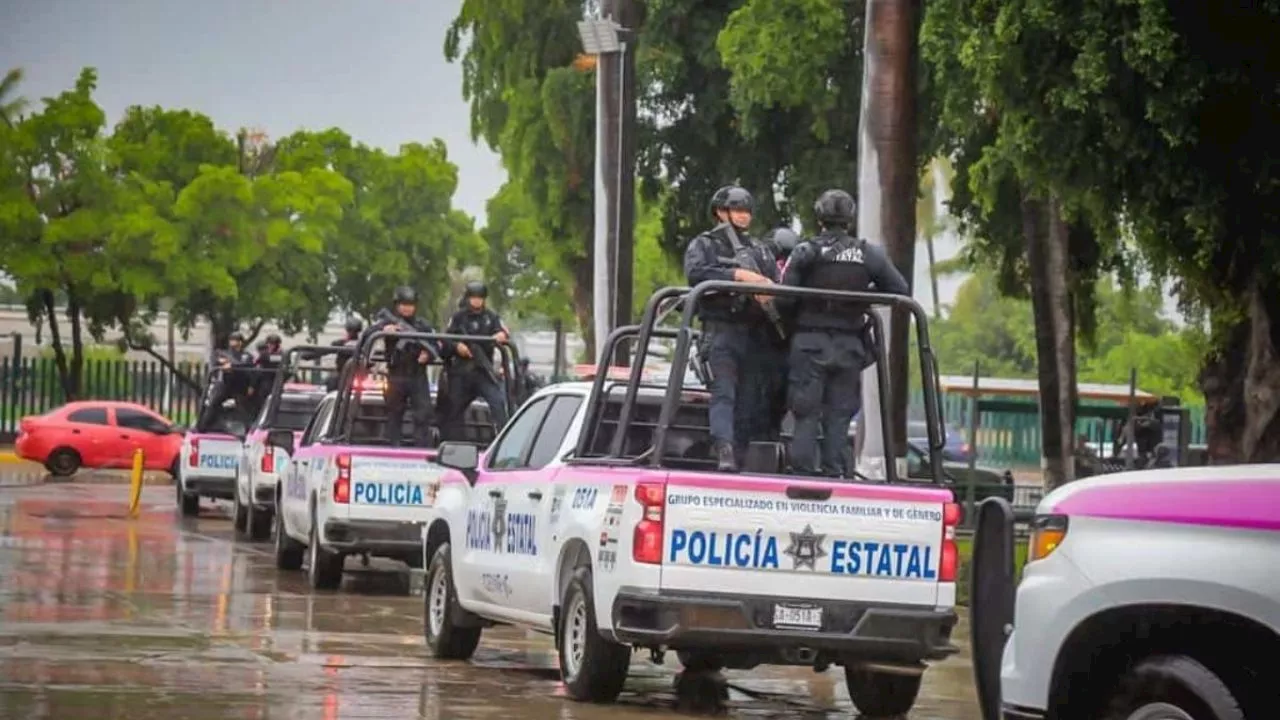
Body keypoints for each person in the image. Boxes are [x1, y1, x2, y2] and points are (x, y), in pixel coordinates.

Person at [780, 189, 909, 477]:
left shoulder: (805, 251)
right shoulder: (868, 254)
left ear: (820, 217)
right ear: (850, 219)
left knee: (805, 413)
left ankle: (802, 472)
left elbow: (783, 298)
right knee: (839, 415)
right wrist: (860, 296)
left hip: (810, 342)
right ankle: (834, 471)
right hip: (850, 345)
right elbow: (899, 289)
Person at [682, 185, 782, 471]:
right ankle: (723, 450)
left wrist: (768, 291)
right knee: (724, 393)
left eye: (746, 211)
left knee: (750, 400)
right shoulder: (705, 244)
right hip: (721, 328)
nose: (743, 216)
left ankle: (740, 454)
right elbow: (696, 274)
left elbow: (775, 281)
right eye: (737, 210)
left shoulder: (760, 249)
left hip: (754, 332)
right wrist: (737, 275)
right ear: (720, 212)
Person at [364, 287, 439, 447]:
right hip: (396, 374)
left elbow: (437, 344)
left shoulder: (422, 325)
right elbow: (367, 335)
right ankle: (393, 448)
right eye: (403, 304)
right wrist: (383, 330)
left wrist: (429, 354)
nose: (407, 308)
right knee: (394, 414)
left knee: (422, 415)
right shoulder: (388, 322)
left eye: (410, 304)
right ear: (397, 305)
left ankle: (421, 449)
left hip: (417, 374)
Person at [441, 281, 510, 439]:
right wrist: (458, 346)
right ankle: (454, 443)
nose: (477, 301)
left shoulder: (491, 317)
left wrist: (501, 335)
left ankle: (502, 440)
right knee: (454, 410)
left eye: (480, 298)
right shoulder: (458, 317)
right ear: (468, 298)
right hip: (461, 372)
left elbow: (503, 332)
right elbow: (446, 339)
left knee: (498, 403)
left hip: (483, 371)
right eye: (473, 298)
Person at [198, 331, 256, 431]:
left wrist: (232, 366)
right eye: (232, 340)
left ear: (241, 342)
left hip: (239, 385)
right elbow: (216, 362)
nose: (233, 342)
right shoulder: (223, 353)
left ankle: (250, 430)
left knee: (243, 409)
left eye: (236, 340)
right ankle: (202, 427)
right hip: (225, 383)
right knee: (213, 404)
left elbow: (247, 365)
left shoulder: (246, 355)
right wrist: (225, 364)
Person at [324, 318, 363, 391]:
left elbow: (325, 351)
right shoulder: (364, 344)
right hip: (358, 375)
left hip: (346, 375)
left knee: (331, 381)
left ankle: (335, 400)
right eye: (351, 330)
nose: (352, 332)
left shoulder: (340, 343)